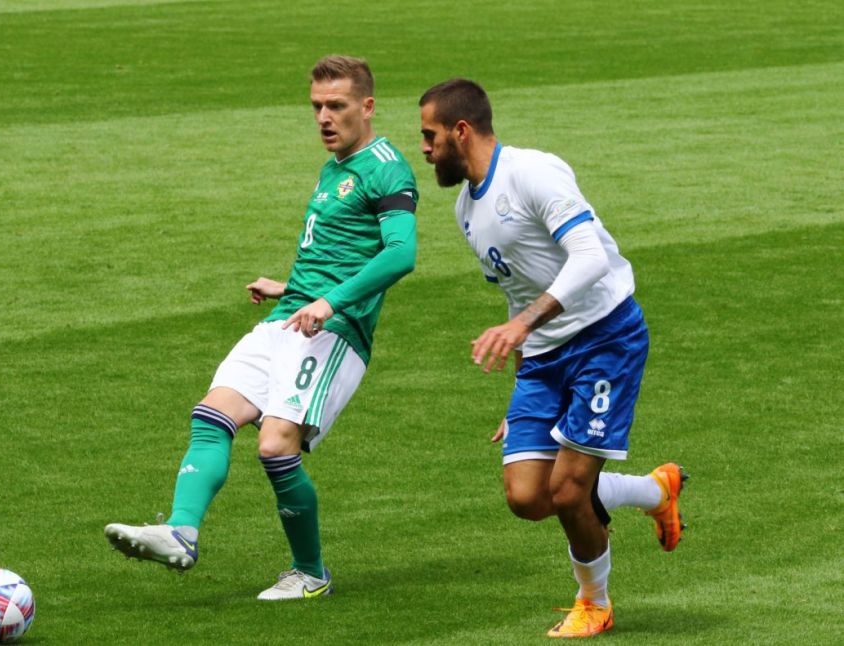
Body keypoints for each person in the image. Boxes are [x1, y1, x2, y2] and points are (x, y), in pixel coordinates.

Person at [105, 55, 418, 601]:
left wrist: (328, 302)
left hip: (334, 333)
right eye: (317, 106)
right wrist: (290, 289)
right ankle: (181, 530)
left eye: (337, 106)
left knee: (275, 447)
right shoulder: (335, 166)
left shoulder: (387, 167)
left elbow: (401, 254)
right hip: (290, 317)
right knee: (213, 412)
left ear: (366, 107)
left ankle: (311, 573)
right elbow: (336, 248)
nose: (324, 117)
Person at [418, 79, 687, 638]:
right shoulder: (466, 209)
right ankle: (655, 491)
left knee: (567, 491)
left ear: (460, 131)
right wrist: (522, 396)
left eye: (429, 136)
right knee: (527, 495)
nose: (424, 149)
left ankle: (596, 602)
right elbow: (519, 297)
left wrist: (520, 325)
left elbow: (589, 255)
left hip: (604, 338)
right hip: (544, 356)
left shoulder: (532, 173)